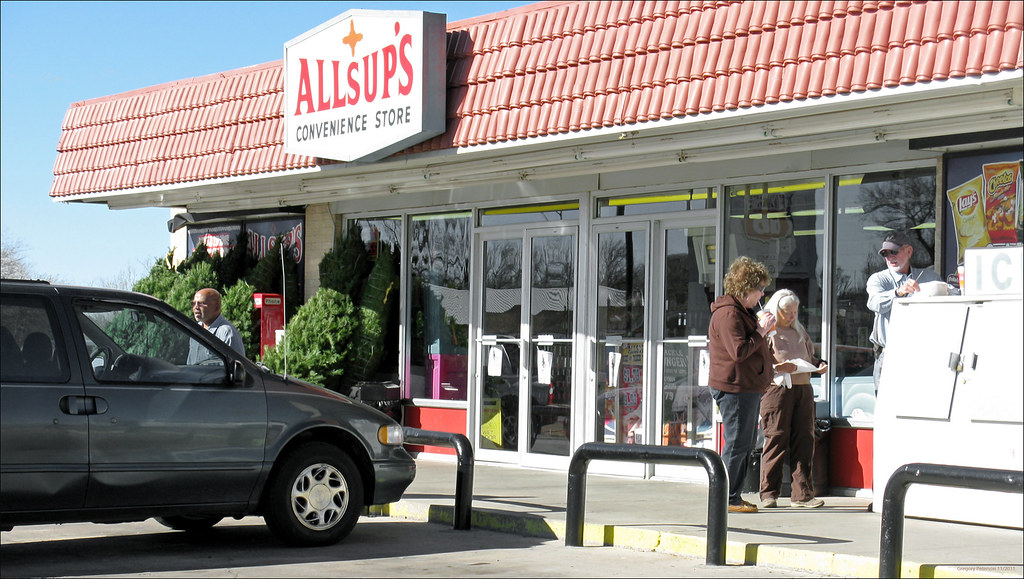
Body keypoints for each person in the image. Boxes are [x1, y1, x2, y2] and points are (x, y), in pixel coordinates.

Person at [708, 256, 776, 514]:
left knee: (744, 443)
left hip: (746, 386)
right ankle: (727, 498)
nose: (762, 293)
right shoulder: (728, 314)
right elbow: (738, 351)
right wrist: (760, 331)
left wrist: (760, 329)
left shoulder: (741, 312)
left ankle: (732, 495)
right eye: (759, 288)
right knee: (737, 444)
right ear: (745, 287)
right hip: (735, 388)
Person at [759, 289, 828, 509]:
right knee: (776, 438)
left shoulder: (799, 331)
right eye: (787, 312)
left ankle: (803, 494)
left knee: (804, 440)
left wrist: (819, 364)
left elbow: (810, 356)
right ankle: (769, 493)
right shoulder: (767, 332)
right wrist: (778, 367)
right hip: (777, 389)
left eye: (795, 312)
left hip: (803, 388)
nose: (791, 316)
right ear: (776, 310)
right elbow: (756, 365)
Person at [866, 231, 941, 390]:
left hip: (924, 354)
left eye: (894, 251)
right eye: (885, 253)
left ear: (909, 251)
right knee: (888, 409)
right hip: (890, 355)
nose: (889, 257)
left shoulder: (929, 277)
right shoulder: (878, 279)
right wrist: (898, 292)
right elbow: (874, 303)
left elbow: (952, 297)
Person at [188, 288, 244, 363]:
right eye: (193, 304)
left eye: (201, 304)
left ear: (217, 306)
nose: (196, 307)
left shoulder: (227, 333)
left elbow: (238, 368)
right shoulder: (195, 330)